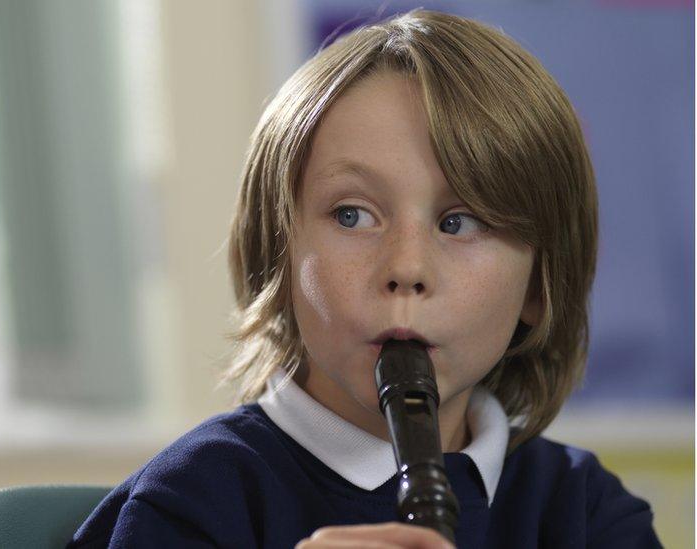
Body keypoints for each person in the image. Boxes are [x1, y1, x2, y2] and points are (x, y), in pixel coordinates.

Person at [67, 9, 661, 548]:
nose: (406, 268)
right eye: (352, 215)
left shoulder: (587, 511)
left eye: (461, 222)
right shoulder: (193, 502)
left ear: (538, 286)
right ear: (280, 253)